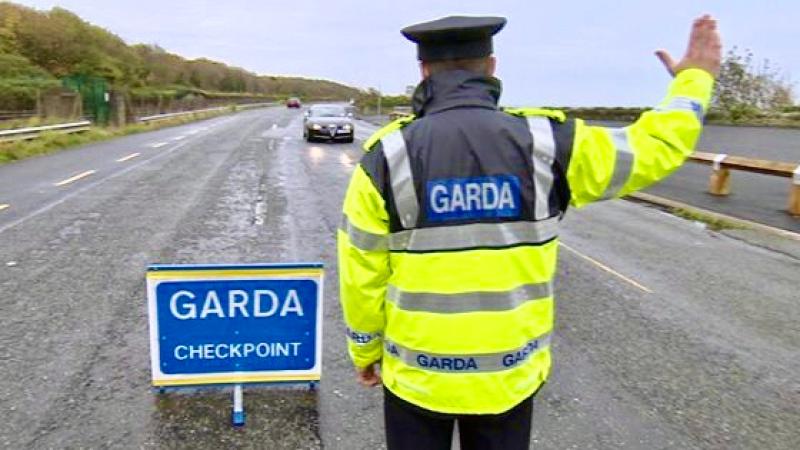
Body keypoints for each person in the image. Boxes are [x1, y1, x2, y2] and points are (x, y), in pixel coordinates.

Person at [338, 14, 721, 450]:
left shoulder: (386, 158)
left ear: (424, 72)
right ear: (492, 67)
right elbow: (654, 149)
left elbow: (362, 274)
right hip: (510, 376)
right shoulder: (547, 143)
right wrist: (694, 80)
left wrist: (365, 351)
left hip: (417, 377)